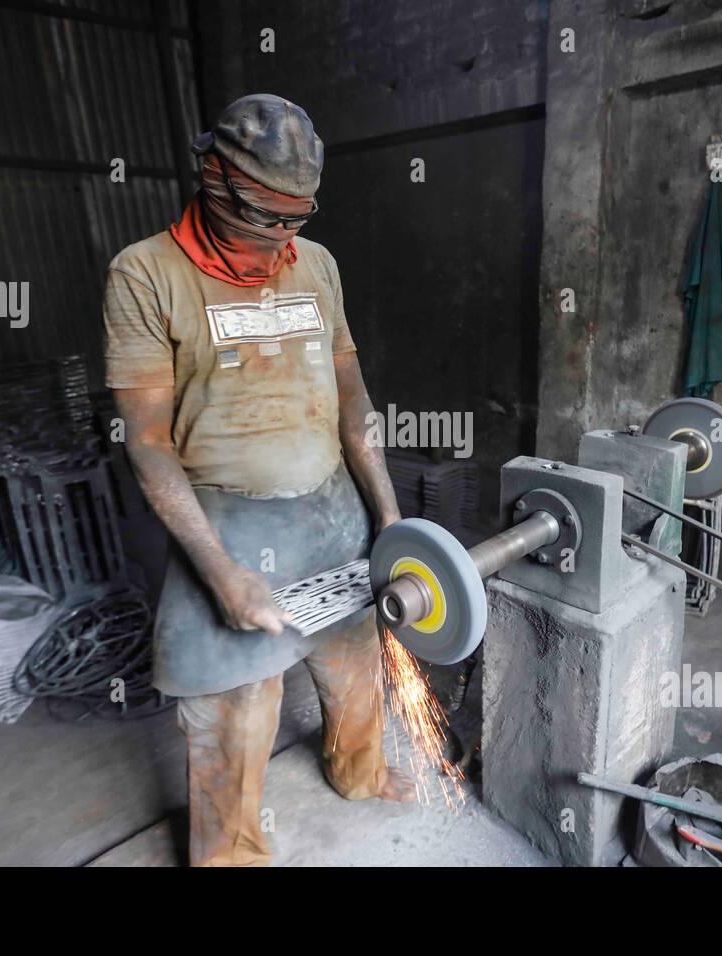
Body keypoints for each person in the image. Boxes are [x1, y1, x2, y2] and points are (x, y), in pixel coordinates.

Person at [102, 93, 415, 867]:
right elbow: (145, 441)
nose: (281, 237)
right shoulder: (145, 275)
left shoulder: (317, 267)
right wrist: (221, 573)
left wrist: (389, 513)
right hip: (228, 523)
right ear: (212, 177)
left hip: (330, 509)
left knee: (354, 666)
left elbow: (354, 398)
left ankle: (359, 771)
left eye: (296, 218)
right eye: (263, 216)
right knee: (234, 711)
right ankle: (229, 854)